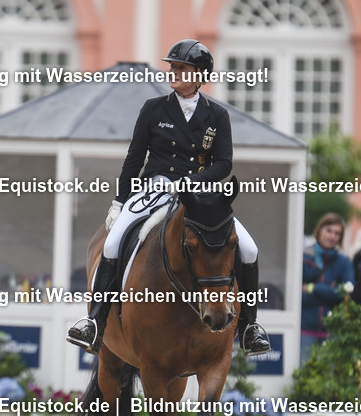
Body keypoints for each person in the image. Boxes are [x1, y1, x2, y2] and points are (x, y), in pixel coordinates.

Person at [66, 39, 270, 356]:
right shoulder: (153, 110)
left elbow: (224, 164)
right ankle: (95, 321)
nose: (173, 72)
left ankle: (250, 327)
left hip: (200, 196)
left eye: (182, 68)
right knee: (110, 242)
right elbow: (133, 161)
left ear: (200, 74)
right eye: (173, 66)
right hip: (154, 189)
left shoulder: (217, 115)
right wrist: (119, 202)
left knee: (249, 247)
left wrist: (192, 182)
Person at [301, 213, 355, 360]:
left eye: (337, 233)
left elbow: (345, 293)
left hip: (331, 332)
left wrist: (313, 288)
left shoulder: (344, 262)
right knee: (303, 375)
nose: (332, 236)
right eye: (329, 231)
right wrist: (329, 292)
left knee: (329, 379)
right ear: (319, 230)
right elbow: (298, 295)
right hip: (304, 330)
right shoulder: (304, 257)